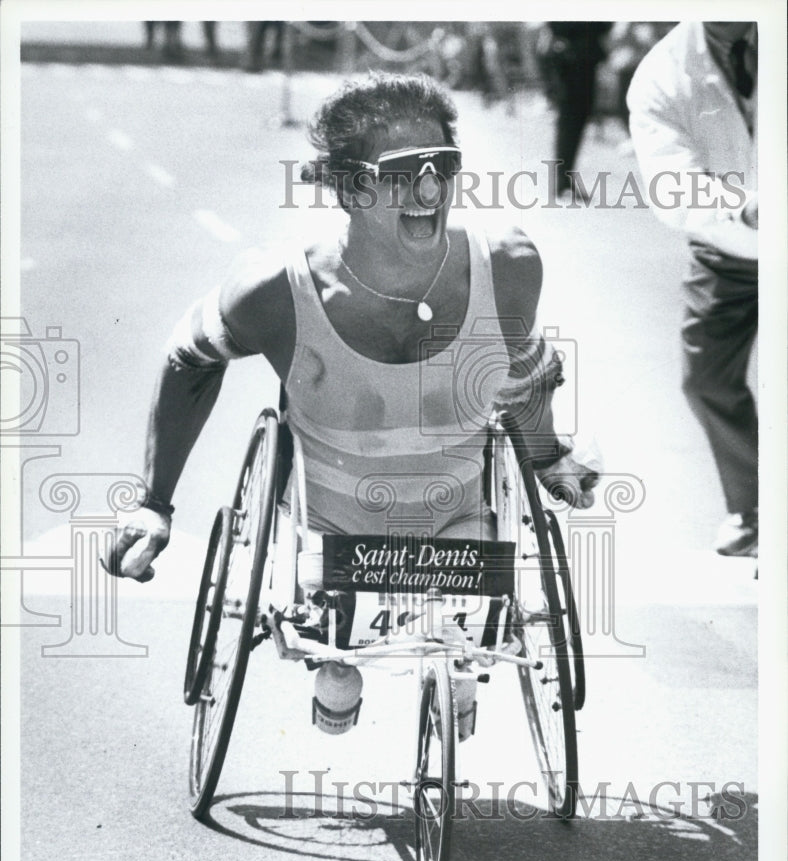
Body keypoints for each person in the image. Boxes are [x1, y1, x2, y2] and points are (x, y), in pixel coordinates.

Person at [105, 73, 598, 583]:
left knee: (469, 622)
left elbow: (523, 367)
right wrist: (153, 504)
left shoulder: (506, 265)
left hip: (460, 540)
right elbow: (188, 357)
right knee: (335, 645)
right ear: (349, 187)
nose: (429, 189)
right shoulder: (276, 290)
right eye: (402, 171)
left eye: (443, 166)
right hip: (325, 546)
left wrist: (548, 458)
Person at [627, 23, 758, 556]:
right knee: (705, 377)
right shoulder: (661, 72)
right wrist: (743, 209)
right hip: (728, 245)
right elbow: (670, 182)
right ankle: (755, 505)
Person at [537, 22, 613, 198]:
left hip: (579, 58)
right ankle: (562, 179)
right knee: (571, 120)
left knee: (573, 120)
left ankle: (564, 178)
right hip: (573, 60)